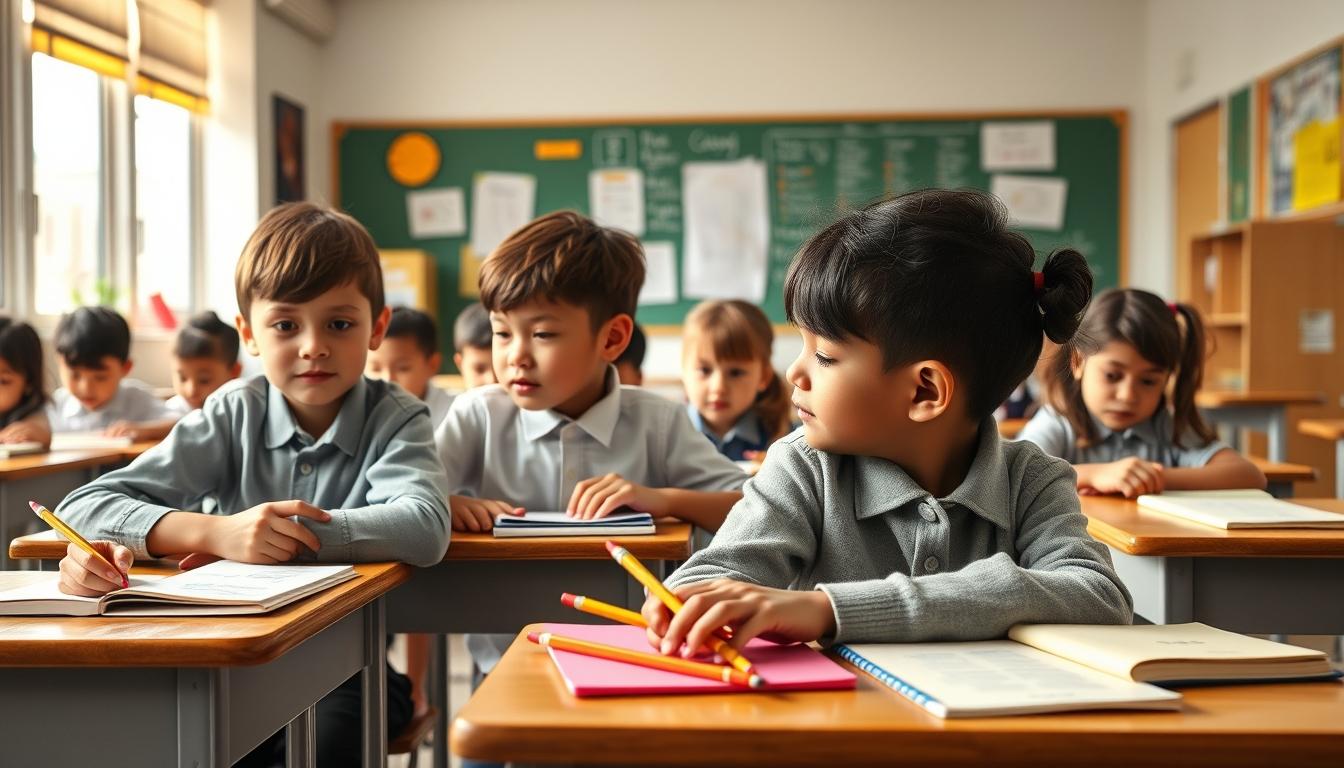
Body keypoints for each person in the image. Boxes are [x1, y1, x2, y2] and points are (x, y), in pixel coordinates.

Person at [642, 189, 1132, 658]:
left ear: (924, 392)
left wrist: (829, 610)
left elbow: (1098, 594)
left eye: (825, 356)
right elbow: (703, 583)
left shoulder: (1031, 481)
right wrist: (686, 605)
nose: (794, 372)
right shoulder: (804, 469)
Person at [54, 202, 451, 768]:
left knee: (329, 740)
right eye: (286, 325)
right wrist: (216, 533)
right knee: (173, 730)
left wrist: (283, 540)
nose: (313, 346)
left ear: (377, 329)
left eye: (339, 324)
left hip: (347, 661)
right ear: (249, 334)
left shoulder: (397, 416)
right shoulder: (233, 412)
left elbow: (424, 526)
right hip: (222, 652)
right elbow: (83, 506)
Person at [1017, 288, 1265, 497]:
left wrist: (1153, 478)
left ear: (1166, 379)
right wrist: (1094, 474)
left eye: (1148, 381)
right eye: (1112, 376)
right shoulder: (1058, 422)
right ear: (1078, 362)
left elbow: (1250, 476)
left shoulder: (1167, 426)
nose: (1127, 395)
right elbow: (1017, 477)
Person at [681, 300, 791, 461]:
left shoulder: (784, 441)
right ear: (683, 372)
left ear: (763, 377)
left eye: (735, 373)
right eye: (704, 370)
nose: (718, 387)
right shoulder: (665, 436)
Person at [0, 317, 51, 446]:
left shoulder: (31, 413)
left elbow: (43, 432)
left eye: (3, 381)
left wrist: (34, 433)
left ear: (29, 382)